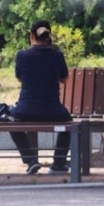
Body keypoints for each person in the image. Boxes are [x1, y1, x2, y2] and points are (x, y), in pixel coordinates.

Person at [10, 20, 73, 175]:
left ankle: (31, 160)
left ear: (32, 35)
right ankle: (58, 163)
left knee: (11, 122)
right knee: (70, 124)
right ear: (48, 36)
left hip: (25, 112)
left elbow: (19, 78)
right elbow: (64, 79)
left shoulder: (22, 55)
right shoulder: (57, 55)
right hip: (53, 111)